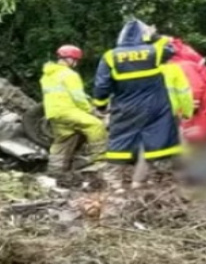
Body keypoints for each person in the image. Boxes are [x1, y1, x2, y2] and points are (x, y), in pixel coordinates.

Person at [92, 21, 187, 189]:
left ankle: (115, 185)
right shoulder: (153, 52)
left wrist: (100, 104)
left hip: (125, 106)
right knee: (154, 139)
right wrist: (155, 36)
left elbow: (102, 85)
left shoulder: (110, 56)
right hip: (156, 107)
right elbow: (171, 48)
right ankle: (141, 180)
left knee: (120, 140)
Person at [40, 45, 106, 176]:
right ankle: (100, 161)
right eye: (76, 60)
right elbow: (78, 97)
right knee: (96, 125)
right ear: (70, 59)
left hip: (53, 113)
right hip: (68, 111)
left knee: (63, 139)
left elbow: (63, 93)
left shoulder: (47, 75)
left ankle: (54, 172)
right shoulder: (69, 74)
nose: (76, 63)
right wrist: (90, 110)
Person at [167, 38, 206, 145]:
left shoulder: (181, 65)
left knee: (199, 140)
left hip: (198, 109)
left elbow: (194, 90)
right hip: (204, 106)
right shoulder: (184, 58)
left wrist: (187, 108)